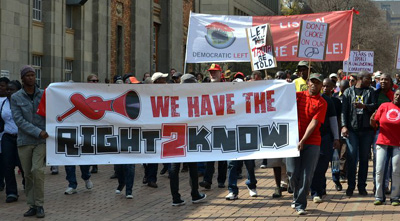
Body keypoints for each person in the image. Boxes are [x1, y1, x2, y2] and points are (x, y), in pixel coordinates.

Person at [287, 73, 327, 215]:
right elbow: (282, 98)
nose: (314, 85)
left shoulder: (322, 103)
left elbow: (314, 123)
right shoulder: (298, 96)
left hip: (312, 142)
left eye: (317, 83)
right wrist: (285, 86)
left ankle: (300, 204)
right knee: (292, 172)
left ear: (321, 85)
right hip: (292, 141)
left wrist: (303, 140)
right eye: (312, 81)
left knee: (306, 175)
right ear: (308, 82)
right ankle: (296, 195)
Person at [11, 66, 48, 218]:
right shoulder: (16, 97)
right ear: (23, 78)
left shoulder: (45, 95)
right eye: (28, 75)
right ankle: (31, 204)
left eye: (33, 75)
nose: (31, 78)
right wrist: (37, 131)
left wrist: (45, 131)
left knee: (37, 171)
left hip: (41, 141)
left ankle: (39, 204)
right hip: (25, 141)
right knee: (28, 174)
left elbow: (51, 113)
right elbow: (19, 120)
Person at [169, 73, 207, 206]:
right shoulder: (195, 97)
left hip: (175, 133)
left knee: (175, 166)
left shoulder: (173, 95)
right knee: (192, 165)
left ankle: (175, 197)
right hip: (189, 133)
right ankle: (195, 194)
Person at [341, 70, 377, 196]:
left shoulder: (371, 91)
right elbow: (343, 111)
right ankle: (351, 186)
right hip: (352, 130)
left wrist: (365, 106)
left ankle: (362, 186)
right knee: (351, 157)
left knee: (364, 159)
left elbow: (375, 106)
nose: (371, 81)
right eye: (368, 78)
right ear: (361, 78)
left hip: (366, 131)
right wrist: (344, 126)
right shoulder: (348, 92)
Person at [310, 79, 341, 203]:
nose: (322, 87)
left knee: (321, 166)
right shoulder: (303, 98)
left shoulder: (328, 101)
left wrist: (336, 138)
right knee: (311, 165)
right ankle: (315, 191)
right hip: (308, 138)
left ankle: (319, 189)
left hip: (324, 137)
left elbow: (333, 120)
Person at [199, 64, 227, 190]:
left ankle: (221, 180)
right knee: (210, 155)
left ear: (220, 73)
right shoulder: (204, 87)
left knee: (222, 155)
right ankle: (207, 180)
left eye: (215, 72)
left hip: (224, 124)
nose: (212, 74)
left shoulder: (228, 87)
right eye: (211, 72)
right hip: (209, 125)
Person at [370, 88, 400, 206]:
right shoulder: (384, 106)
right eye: (397, 94)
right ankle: (379, 196)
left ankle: (395, 197)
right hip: (382, 142)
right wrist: (372, 119)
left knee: (396, 171)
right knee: (380, 170)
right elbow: (374, 123)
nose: (398, 97)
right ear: (393, 95)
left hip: (397, 144)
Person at [1, 80, 24, 203]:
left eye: (12, 89)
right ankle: (11, 192)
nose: (9, 91)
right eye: (8, 89)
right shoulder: (3, 103)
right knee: (7, 165)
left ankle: (27, 184)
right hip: (7, 136)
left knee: (23, 164)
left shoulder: (22, 103)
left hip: (22, 137)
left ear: (18, 90)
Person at [371, 73, 394, 194]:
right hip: (376, 130)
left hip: (392, 132)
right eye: (381, 80)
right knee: (378, 160)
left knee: (389, 161)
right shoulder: (374, 93)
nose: (383, 81)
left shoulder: (394, 95)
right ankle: (377, 185)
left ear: (391, 82)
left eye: (386, 80)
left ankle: (385, 185)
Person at [333, 80, 350, 183]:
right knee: (336, 153)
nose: (343, 90)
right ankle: (336, 174)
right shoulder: (335, 96)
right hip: (336, 127)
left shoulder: (350, 96)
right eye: (342, 88)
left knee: (344, 153)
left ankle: (343, 173)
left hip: (346, 128)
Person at [87, 74, 99, 174]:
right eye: (93, 81)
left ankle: (95, 165)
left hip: (97, 121)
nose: (95, 82)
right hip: (87, 122)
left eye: (96, 81)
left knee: (95, 144)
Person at [0, 77, 10, 191]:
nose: (0, 88)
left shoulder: (9, 100)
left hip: (5, 135)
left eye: (2, 86)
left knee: (5, 161)